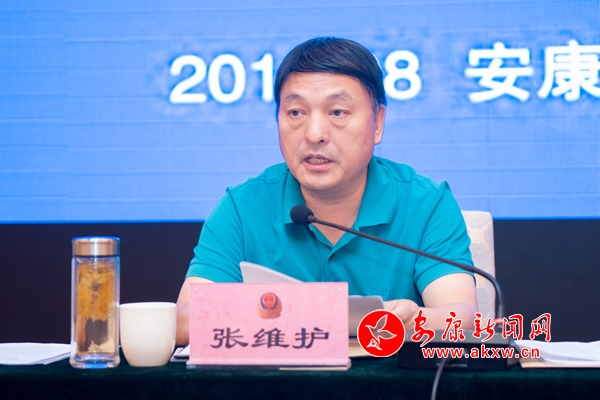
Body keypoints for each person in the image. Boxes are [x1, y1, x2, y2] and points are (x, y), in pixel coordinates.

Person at [176, 37, 477, 345]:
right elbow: (184, 322)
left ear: (377, 123)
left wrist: (414, 320)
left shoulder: (426, 203)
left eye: (337, 112)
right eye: (296, 112)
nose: (315, 134)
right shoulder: (241, 207)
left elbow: (463, 317)